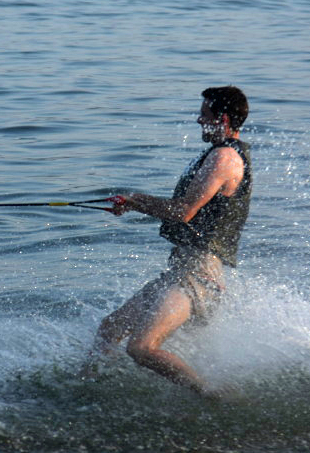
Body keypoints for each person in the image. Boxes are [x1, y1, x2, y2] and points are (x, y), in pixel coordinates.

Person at [87, 86, 252, 398]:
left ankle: (216, 397)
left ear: (223, 119)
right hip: (184, 268)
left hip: (198, 274)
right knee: (109, 330)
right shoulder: (218, 154)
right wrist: (135, 203)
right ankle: (90, 391)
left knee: (142, 347)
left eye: (204, 116)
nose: (198, 120)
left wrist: (134, 200)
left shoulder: (225, 158)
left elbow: (184, 211)